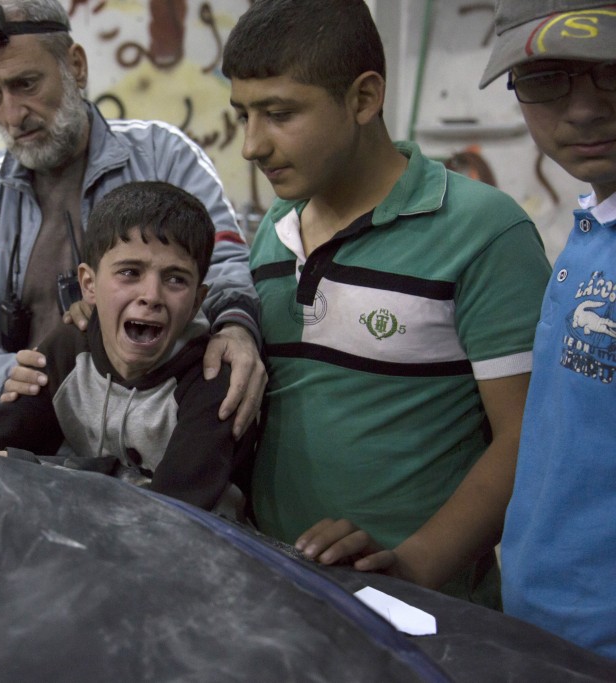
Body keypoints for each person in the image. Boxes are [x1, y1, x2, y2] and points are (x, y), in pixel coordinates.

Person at [222, 0, 553, 605]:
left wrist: (415, 566)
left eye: (279, 113)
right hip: (282, 594)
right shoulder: (275, 231)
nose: (251, 145)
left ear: (364, 98)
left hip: (427, 618)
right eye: (243, 113)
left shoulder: (482, 232)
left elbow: (529, 436)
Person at [0, 0, 264, 438]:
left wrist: (236, 327)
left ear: (75, 67)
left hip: (159, 436)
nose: (11, 114)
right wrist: (3, 377)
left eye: (25, 84)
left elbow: (226, 264)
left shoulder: (165, 156)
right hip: (36, 445)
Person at [0, 181, 257, 518]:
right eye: (130, 272)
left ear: (197, 302)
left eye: (175, 279)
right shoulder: (68, 348)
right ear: (88, 285)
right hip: (96, 533)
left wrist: (36, 467)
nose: (152, 295)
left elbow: (173, 514)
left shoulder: (214, 381)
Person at [478, 0, 616, 658]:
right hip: (546, 632)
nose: (584, 109)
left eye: (614, 70)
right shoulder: (593, 227)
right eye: (544, 78)